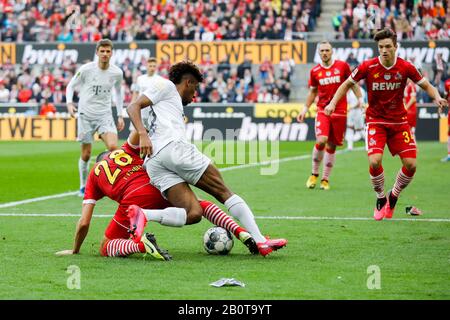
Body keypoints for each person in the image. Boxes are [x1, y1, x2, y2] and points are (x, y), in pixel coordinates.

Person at [127, 61, 287, 257]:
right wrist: (143, 135)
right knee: (223, 191)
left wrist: (142, 135)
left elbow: (139, 114)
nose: (195, 94)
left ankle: (143, 214)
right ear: (187, 82)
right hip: (173, 148)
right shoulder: (166, 86)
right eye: (195, 87)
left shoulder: (164, 104)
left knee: (193, 212)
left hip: (154, 162)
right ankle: (261, 241)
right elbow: (132, 106)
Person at [55, 132, 258, 259]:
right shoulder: (125, 150)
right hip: (158, 184)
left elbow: (83, 223)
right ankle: (241, 232)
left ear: (99, 161)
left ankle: (141, 244)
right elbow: (137, 133)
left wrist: (75, 250)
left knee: (106, 247)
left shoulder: (94, 175)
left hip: (133, 199)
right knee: (198, 205)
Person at [324, 28, 448, 220]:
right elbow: (347, 84)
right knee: (374, 161)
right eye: (381, 46)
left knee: (411, 165)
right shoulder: (368, 66)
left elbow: (426, 85)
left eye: (388, 46)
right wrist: (332, 103)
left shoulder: (406, 67)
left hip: (399, 123)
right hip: (375, 122)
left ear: (396, 47)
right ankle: (381, 197)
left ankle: (393, 195)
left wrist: (438, 97)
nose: (384, 50)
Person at [297, 41, 363, 190]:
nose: (325, 53)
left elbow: (352, 84)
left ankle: (325, 179)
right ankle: (314, 174)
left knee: (332, 145)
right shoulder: (315, 71)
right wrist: (304, 109)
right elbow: (313, 92)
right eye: (322, 51)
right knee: (322, 140)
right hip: (322, 110)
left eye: (327, 50)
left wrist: (360, 99)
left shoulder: (342, 66)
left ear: (332, 52)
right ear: (319, 53)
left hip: (340, 112)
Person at [66, 39, 125, 197]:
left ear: (111, 53)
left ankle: (111, 182)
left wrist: (120, 114)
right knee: (86, 154)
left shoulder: (117, 72)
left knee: (114, 149)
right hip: (85, 115)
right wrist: (69, 103)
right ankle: (83, 186)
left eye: (108, 51)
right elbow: (71, 85)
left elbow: (118, 93)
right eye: (102, 51)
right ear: (97, 52)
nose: (105, 54)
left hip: (105, 115)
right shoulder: (86, 69)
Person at [129, 57, 163, 132]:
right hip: (140, 110)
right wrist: (132, 104)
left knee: (152, 135)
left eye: (154, 66)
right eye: (150, 66)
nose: (152, 68)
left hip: (152, 111)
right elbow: (136, 93)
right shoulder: (140, 79)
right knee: (135, 132)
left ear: (156, 67)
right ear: (146, 66)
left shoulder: (160, 80)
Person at [346, 86, 366, 151]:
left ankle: (368, 144)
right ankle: (350, 147)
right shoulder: (349, 91)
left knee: (361, 129)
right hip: (351, 112)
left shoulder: (361, 90)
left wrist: (352, 107)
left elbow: (360, 102)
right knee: (350, 128)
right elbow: (348, 101)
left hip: (358, 111)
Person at [442, 76, 450, 162]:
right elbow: (445, 96)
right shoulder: (447, 83)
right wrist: (441, 106)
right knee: (449, 132)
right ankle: (449, 154)